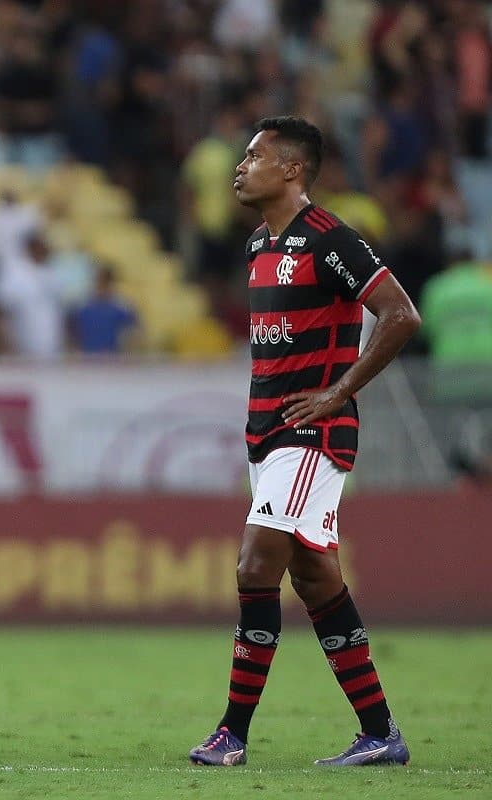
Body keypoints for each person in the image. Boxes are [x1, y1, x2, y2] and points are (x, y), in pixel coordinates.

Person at [189, 117, 421, 768]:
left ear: (292, 169)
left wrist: (340, 391)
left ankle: (231, 735)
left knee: (254, 564)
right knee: (315, 577)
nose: (240, 166)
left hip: (312, 430)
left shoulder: (331, 239)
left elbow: (401, 314)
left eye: (255, 156)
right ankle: (381, 734)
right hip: (267, 432)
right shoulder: (260, 244)